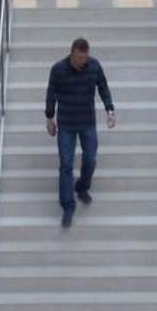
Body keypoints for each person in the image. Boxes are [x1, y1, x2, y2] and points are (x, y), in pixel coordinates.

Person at [45, 37, 115, 228]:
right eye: (78, 58)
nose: (81, 61)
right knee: (66, 165)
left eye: (84, 58)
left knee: (90, 158)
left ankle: (82, 187)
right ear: (71, 54)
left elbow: (103, 88)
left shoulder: (94, 66)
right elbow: (51, 94)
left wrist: (110, 110)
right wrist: (50, 118)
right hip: (66, 124)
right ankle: (68, 206)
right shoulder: (58, 69)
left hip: (87, 122)